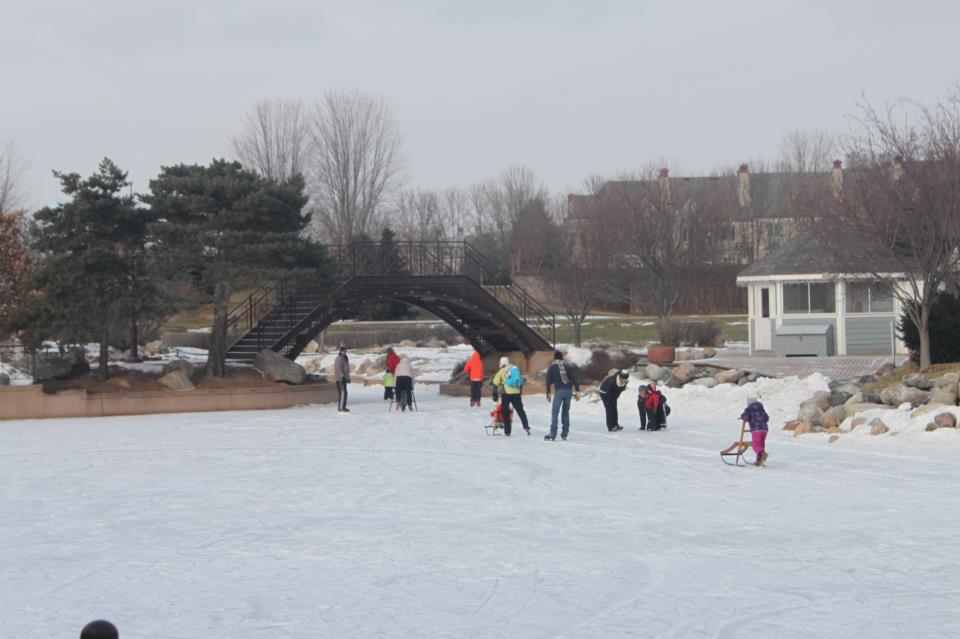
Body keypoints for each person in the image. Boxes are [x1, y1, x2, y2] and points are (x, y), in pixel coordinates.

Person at [544, 349, 580, 441]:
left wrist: (548, 393)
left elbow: (548, 381)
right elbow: (574, 379)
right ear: (562, 358)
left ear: (554, 358)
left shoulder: (552, 368)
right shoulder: (567, 367)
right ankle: (565, 433)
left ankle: (553, 433)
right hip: (568, 391)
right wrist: (578, 390)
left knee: (555, 412)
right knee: (565, 412)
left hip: (559, 391)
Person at [491, 356, 530, 436]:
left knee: (505, 412)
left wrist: (494, 395)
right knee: (520, 410)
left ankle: (507, 431)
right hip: (516, 393)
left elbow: (495, 383)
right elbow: (520, 382)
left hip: (506, 394)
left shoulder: (502, 371)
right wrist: (519, 393)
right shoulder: (515, 369)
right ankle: (526, 426)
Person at [740, 395, 770, 466]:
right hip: (764, 430)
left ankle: (762, 454)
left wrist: (742, 416)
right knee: (761, 445)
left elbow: (746, 417)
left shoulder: (749, 408)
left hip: (756, 430)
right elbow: (767, 418)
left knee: (756, 445)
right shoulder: (762, 409)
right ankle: (759, 461)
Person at [334, 346, 350, 413]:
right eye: (344, 351)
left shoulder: (345, 358)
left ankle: (343, 406)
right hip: (340, 379)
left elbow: (346, 369)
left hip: (344, 378)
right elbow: (338, 368)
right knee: (342, 393)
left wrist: (347, 378)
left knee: (345, 393)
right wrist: (342, 376)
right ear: (340, 351)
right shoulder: (339, 359)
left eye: (346, 351)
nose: (345, 352)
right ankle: (341, 408)